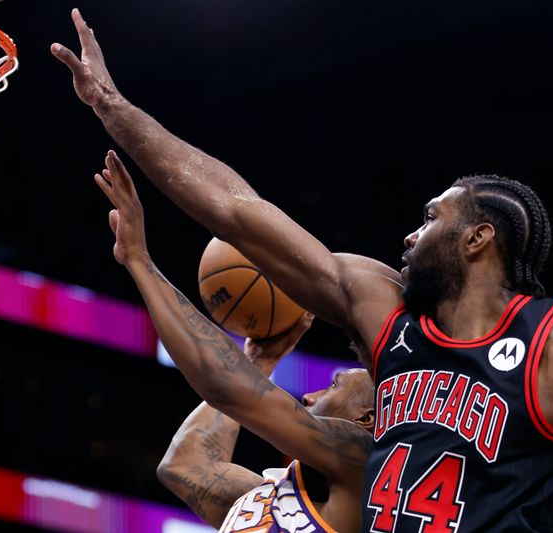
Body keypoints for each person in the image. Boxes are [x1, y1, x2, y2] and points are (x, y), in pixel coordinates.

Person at [52, 9, 553, 531]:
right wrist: (111, 108)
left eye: (431, 219)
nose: (410, 234)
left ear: (478, 238)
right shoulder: (383, 313)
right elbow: (234, 210)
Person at [93, 150, 376, 532]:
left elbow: (226, 388)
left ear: (367, 419)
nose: (308, 396)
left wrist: (141, 261)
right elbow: (184, 466)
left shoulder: (365, 468)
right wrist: (259, 361)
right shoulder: (275, 494)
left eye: (334, 386)